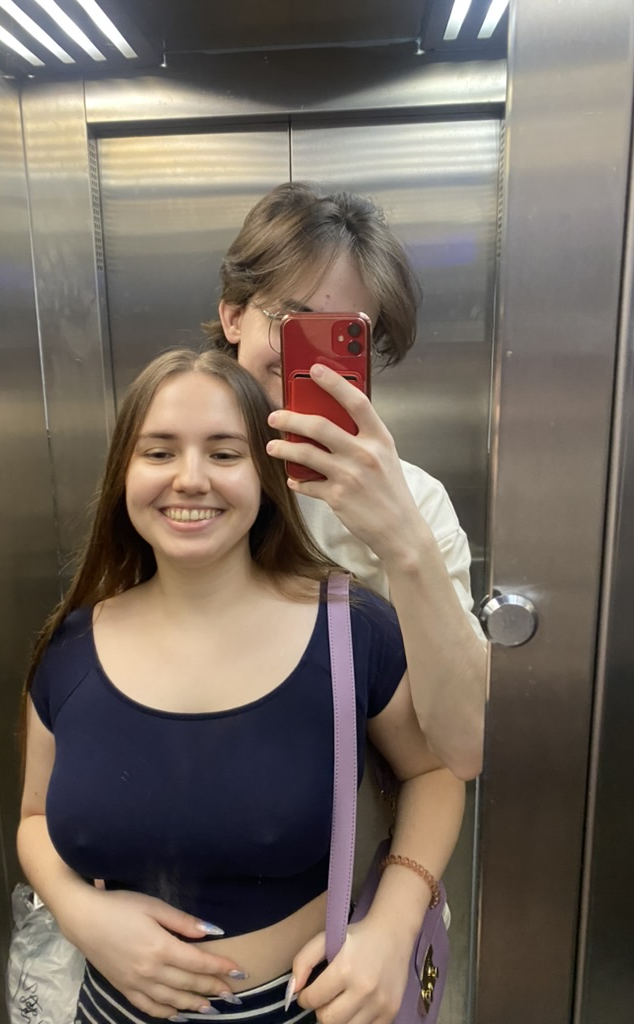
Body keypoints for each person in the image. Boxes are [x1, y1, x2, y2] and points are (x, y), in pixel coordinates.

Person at [17, 348, 465, 1024]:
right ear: (123, 474)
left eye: (225, 454)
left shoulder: (350, 630)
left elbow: (434, 771)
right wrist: (80, 912)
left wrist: (393, 926)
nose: (190, 479)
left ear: (266, 475)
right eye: (159, 452)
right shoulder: (70, 647)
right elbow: (34, 819)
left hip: (305, 1007)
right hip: (107, 1008)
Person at [204, 182, 488, 781]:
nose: (307, 361)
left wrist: (402, 541)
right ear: (233, 316)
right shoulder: (176, 484)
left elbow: (465, 746)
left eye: (344, 335)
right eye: (290, 322)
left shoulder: (414, 500)